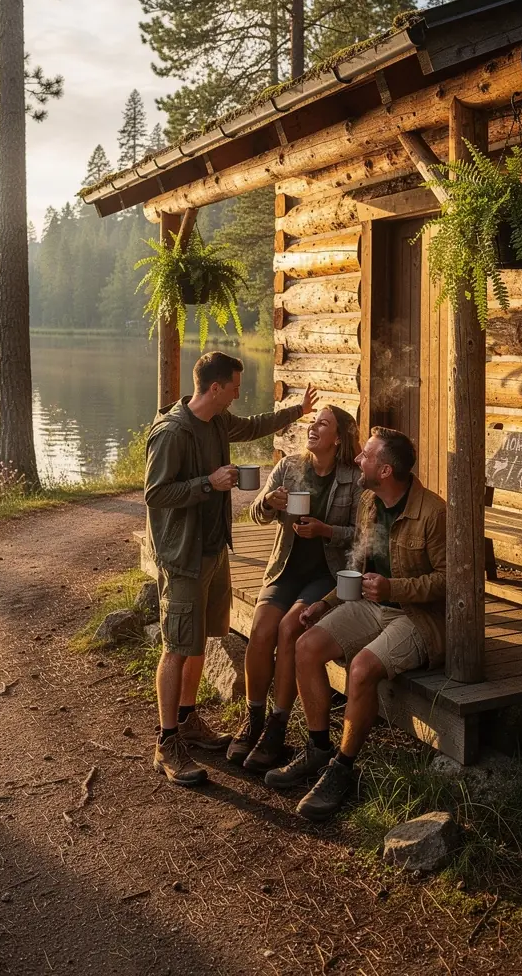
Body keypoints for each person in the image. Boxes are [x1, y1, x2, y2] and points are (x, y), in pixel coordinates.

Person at [145, 350, 318, 787]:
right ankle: (167, 743)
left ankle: (187, 720)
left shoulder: (219, 420)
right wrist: (209, 483)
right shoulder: (172, 432)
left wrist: (298, 411)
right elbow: (155, 494)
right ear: (215, 387)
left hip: (212, 550)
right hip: (182, 556)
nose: (238, 395)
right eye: (235, 388)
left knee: (199, 638)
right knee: (176, 646)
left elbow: (255, 425)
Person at [265, 426, 446, 821]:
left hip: (414, 616)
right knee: (306, 645)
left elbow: (450, 581)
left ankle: (343, 769)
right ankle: (318, 750)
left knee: (361, 668)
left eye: (366, 456)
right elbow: (357, 567)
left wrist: (394, 587)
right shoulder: (369, 501)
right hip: (369, 604)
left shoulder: (433, 513)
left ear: (385, 470)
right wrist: (325, 603)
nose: (358, 460)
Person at [227, 405, 361, 772]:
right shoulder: (289, 466)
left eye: (323, 424)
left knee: (289, 628)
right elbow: (255, 513)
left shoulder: (354, 479)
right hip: (285, 569)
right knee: (261, 629)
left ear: (338, 438)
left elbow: (361, 534)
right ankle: (253, 719)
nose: (313, 428)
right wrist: (268, 503)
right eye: (312, 422)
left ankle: (276, 728)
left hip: (326, 575)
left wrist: (325, 531)